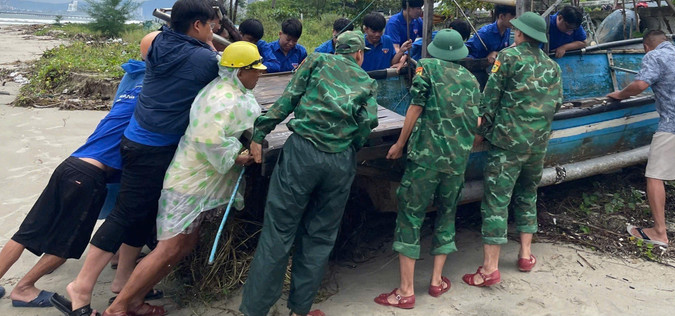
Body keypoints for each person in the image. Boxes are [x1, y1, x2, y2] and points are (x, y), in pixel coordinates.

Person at [56, 0, 220, 316]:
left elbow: (149, 44)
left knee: (139, 211)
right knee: (124, 214)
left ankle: (121, 282)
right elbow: (223, 76)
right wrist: (211, 43)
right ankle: (82, 285)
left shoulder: (156, 41)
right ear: (198, 25)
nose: (213, 29)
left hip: (134, 138)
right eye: (210, 24)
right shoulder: (204, 59)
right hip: (155, 148)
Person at [101, 42, 266, 316]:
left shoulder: (233, 92)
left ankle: (135, 300)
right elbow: (207, 139)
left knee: (184, 245)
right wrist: (237, 156)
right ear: (239, 71)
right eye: (255, 71)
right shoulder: (221, 98)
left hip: (204, 182)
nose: (259, 75)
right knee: (169, 248)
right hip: (191, 183)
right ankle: (118, 307)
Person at [240, 31, 379, 316]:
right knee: (320, 236)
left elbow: (288, 99)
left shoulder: (317, 60)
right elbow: (369, 122)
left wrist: (261, 131)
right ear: (359, 54)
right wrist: (349, 144)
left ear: (337, 48)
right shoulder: (367, 81)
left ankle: (255, 309)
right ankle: (299, 309)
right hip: (339, 162)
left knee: (278, 231)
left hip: (302, 153)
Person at [0, 55, 150, 308]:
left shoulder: (127, 95)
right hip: (88, 177)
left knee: (27, 231)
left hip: (70, 165)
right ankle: (24, 289)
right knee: (67, 243)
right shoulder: (149, 108)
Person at [375, 30, 481, 310]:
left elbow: (416, 106)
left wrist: (400, 144)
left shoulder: (428, 67)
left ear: (435, 51)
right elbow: (477, 121)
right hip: (456, 162)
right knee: (447, 215)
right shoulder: (471, 80)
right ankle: (436, 281)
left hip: (425, 159)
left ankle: (406, 291)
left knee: (410, 217)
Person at [463, 12, 562, 287]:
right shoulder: (552, 66)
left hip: (507, 144)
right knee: (528, 194)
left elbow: (490, 99)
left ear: (520, 34)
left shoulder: (508, 57)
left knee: (496, 201)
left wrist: (481, 133)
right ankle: (526, 255)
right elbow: (556, 105)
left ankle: (489, 269)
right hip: (538, 144)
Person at [607, 30, 675, 246]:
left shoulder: (653, 56)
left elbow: (640, 85)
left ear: (646, 46)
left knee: (654, 175)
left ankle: (659, 232)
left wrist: (619, 94)